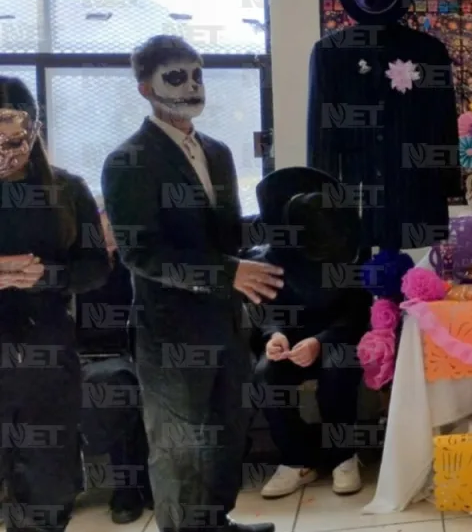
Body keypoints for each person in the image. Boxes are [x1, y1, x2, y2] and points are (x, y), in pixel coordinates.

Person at [102, 36, 284, 532]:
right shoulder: (127, 161)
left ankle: (217, 521)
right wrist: (229, 273)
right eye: (176, 76)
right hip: (170, 333)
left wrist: (278, 237)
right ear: (145, 87)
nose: (192, 86)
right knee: (180, 447)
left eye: (198, 74)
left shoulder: (218, 153)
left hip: (226, 323)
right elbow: (141, 254)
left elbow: (225, 236)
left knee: (228, 430)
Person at [0, 77, 111, 532]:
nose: (6, 153)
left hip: (46, 357)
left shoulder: (66, 189)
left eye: (13, 138)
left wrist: (48, 276)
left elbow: (95, 269)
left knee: (47, 491)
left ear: (34, 129)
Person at [247, 168, 370, 499]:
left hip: (337, 338)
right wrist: (274, 335)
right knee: (265, 374)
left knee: (338, 367)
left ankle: (344, 455)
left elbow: (357, 313)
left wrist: (321, 341)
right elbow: (265, 310)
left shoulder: (350, 252)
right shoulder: (269, 257)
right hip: (288, 341)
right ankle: (297, 459)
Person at [77, 203, 153, 524]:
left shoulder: (136, 266)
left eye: (113, 229)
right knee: (111, 386)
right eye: (101, 228)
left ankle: (134, 486)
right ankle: (129, 486)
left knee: (125, 385)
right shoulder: (76, 270)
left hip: (132, 355)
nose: (107, 236)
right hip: (83, 359)